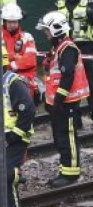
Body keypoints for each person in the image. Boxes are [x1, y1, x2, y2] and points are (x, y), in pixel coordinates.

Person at [38, 11, 90, 188]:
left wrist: (58, 99)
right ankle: (65, 170)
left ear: (56, 29)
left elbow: (67, 76)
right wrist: (51, 100)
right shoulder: (58, 47)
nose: (45, 33)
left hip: (66, 102)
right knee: (61, 137)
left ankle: (71, 173)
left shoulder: (67, 49)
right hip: (60, 102)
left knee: (67, 137)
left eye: (47, 30)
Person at [1, 46, 36, 207]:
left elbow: (28, 110)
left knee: (7, 175)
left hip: (15, 138)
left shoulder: (12, 82)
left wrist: (14, 134)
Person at [55, 0, 93, 119]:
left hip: (88, 48)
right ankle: (75, 118)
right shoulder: (58, 6)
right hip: (67, 49)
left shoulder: (90, 2)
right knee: (70, 83)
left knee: (91, 83)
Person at [1, 1, 40, 103]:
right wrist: (17, 57)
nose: (13, 25)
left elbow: (31, 61)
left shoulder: (27, 37)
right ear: (4, 21)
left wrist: (9, 63)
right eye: (10, 22)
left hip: (25, 81)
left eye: (15, 22)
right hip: (2, 80)